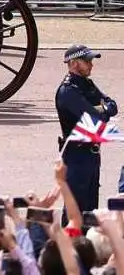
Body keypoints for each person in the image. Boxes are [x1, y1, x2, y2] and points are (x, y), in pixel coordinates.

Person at [55, 44, 118, 222]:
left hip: (91, 153)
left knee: (91, 209)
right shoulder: (67, 90)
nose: (91, 64)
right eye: (87, 61)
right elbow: (95, 117)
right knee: (75, 207)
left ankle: (87, 247)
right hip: (76, 155)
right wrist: (102, 110)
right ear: (74, 63)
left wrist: (101, 109)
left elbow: (112, 105)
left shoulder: (87, 84)